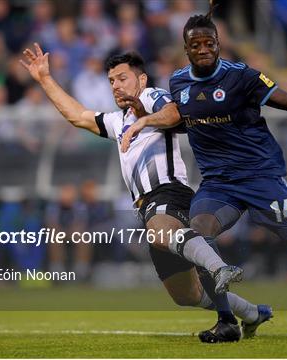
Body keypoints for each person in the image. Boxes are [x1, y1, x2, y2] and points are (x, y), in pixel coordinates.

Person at [121, 7, 287, 341]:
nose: (204, 49)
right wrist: (143, 119)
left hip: (262, 179)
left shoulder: (243, 76)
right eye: (197, 45)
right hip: (219, 185)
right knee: (199, 235)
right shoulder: (178, 82)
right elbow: (180, 119)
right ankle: (227, 322)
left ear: (219, 44)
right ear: (186, 48)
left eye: (210, 43)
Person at [20, 44, 270, 342]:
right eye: (111, 80)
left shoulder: (151, 97)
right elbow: (79, 116)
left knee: (161, 233)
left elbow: (174, 112)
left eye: (122, 78)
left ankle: (219, 268)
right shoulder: (118, 120)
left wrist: (145, 118)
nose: (116, 85)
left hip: (169, 192)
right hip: (147, 206)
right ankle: (252, 313)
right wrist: (45, 79)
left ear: (141, 80)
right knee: (187, 295)